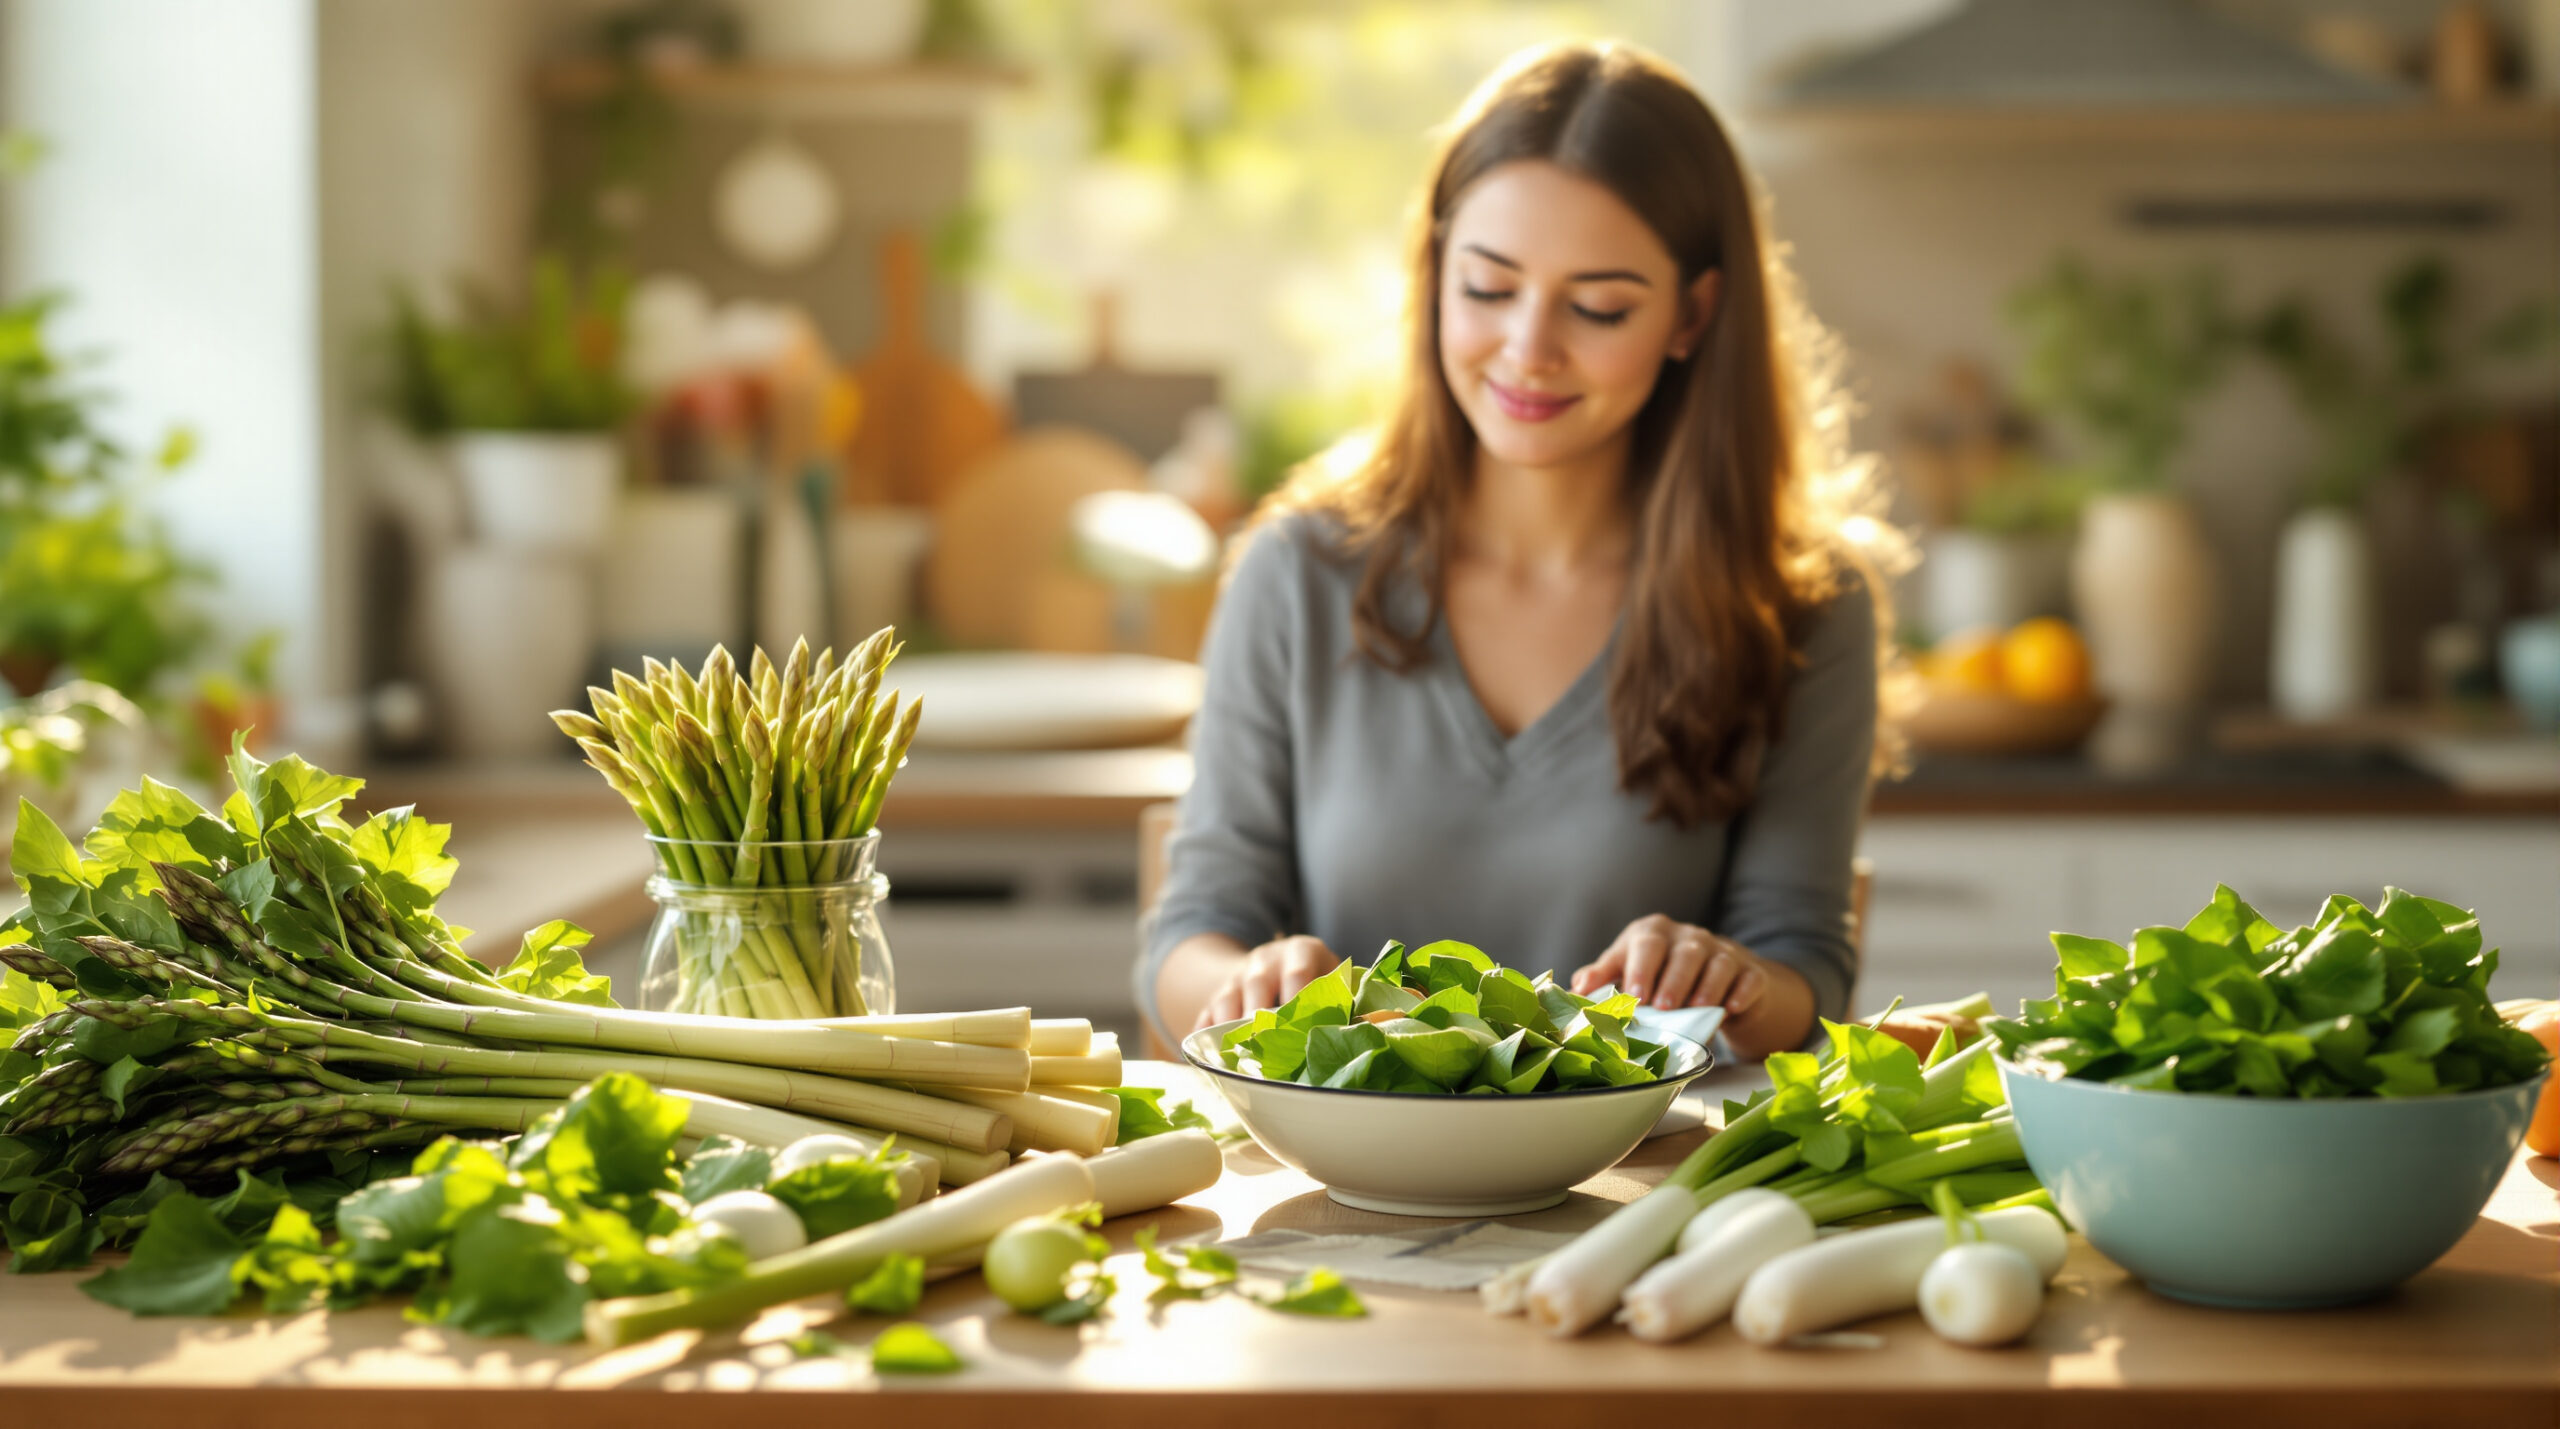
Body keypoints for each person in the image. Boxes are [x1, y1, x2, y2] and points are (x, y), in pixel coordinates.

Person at [1138, 40, 1898, 1063]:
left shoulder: (1801, 605)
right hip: (1343, 1180)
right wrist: (1243, 983)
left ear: (1693, 314)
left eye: (1597, 308)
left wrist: (1731, 977)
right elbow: (1189, 934)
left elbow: (1804, 966)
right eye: (1489, 288)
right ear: (1435, 271)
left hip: (1649, 1185)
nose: (1528, 349)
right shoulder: (1296, 571)